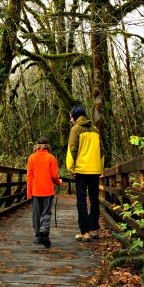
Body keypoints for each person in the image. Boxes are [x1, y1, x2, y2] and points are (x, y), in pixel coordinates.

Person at [66, 105, 103, 242]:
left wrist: (71, 169)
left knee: (81, 201)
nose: (70, 120)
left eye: (71, 117)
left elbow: (72, 150)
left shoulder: (75, 129)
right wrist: (100, 168)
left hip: (81, 171)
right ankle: (94, 229)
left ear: (75, 117)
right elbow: (101, 151)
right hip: (94, 170)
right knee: (94, 200)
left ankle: (85, 232)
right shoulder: (95, 130)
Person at [27, 137, 62, 248]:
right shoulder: (51, 158)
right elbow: (54, 176)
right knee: (46, 212)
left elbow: (29, 176)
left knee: (36, 214)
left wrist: (29, 192)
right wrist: (59, 182)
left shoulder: (32, 158)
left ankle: (38, 237)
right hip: (47, 190)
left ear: (37, 146)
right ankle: (44, 229)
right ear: (48, 146)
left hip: (35, 190)